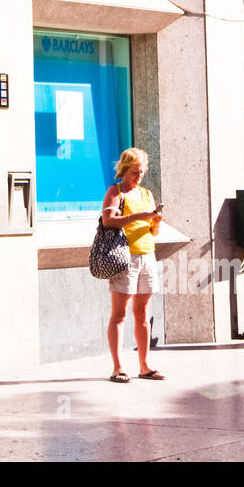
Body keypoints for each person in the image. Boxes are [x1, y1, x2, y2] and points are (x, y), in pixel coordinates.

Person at [102, 147, 165, 382]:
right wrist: (139, 217)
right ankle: (117, 367)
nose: (139, 176)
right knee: (119, 313)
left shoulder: (147, 194)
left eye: (141, 172)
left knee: (142, 312)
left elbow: (154, 231)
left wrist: (156, 221)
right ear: (125, 169)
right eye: (135, 172)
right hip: (124, 257)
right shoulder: (116, 192)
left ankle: (144, 365)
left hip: (148, 255)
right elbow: (108, 221)